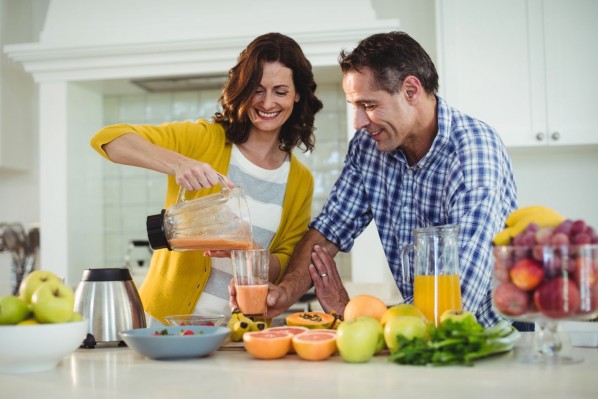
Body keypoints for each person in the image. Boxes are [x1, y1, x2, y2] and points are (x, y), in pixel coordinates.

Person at [262, 31, 524, 329]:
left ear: (411, 90)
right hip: (417, 335)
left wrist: (354, 313)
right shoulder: (369, 147)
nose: (359, 123)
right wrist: (285, 292)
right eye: (355, 107)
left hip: (486, 340)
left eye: (369, 106)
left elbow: (457, 299)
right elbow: (329, 230)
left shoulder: (473, 150)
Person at [90, 32, 323, 326]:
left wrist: (248, 249)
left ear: (297, 94)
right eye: (257, 89)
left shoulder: (300, 179)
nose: (267, 103)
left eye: (280, 91)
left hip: (234, 333)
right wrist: (178, 163)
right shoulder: (204, 140)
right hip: (164, 325)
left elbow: (284, 261)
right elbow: (108, 139)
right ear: (243, 88)